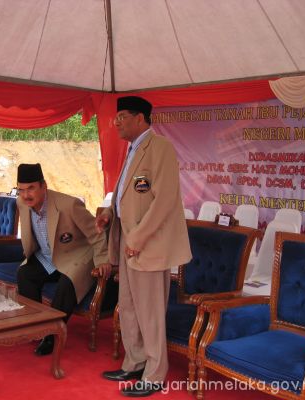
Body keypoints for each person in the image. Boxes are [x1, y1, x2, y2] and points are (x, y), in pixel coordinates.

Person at [96, 96, 191, 397]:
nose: (117, 123)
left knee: (150, 312)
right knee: (128, 306)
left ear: (140, 118)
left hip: (147, 243)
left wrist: (137, 239)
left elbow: (164, 200)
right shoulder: (132, 149)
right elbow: (129, 197)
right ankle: (135, 362)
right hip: (127, 240)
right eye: (116, 117)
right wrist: (109, 213)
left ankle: (154, 374)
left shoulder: (159, 147)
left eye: (122, 117)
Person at [16, 163, 111, 355]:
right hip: (48, 256)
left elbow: (96, 233)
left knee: (67, 283)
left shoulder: (69, 205)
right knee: (25, 273)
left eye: (31, 188)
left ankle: (52, 335)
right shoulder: (21, 203)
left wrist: (102, 260)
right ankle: (35, 327)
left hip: (76, 255)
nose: (26, 195)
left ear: (44, 186)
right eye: (21, 190)